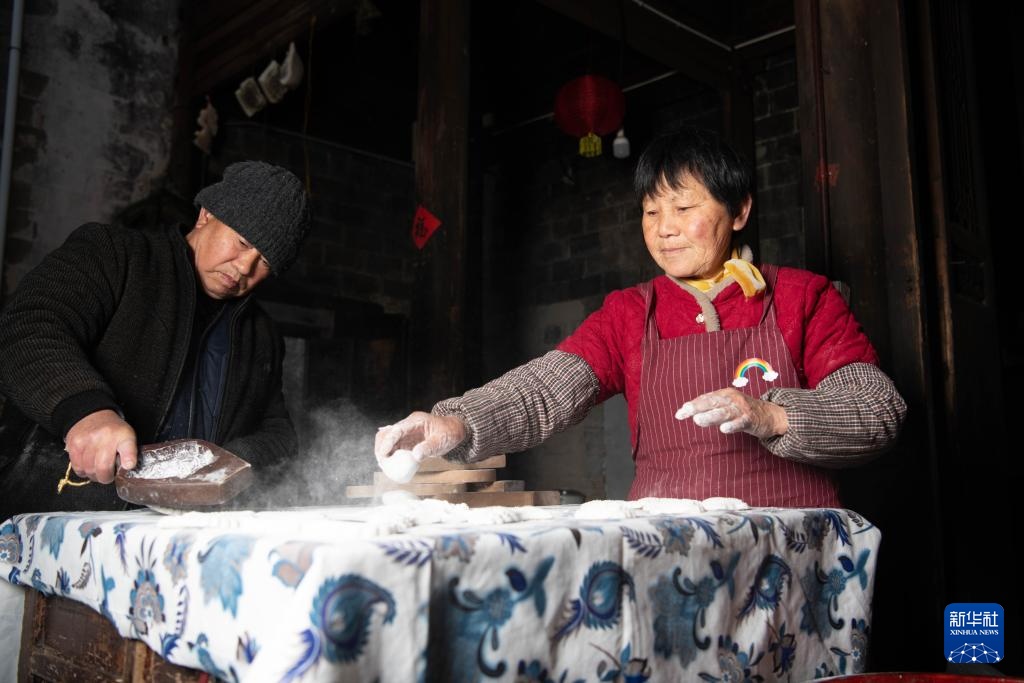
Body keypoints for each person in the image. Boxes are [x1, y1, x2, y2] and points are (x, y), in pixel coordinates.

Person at [376, 127, 907, 507]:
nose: (664, 228)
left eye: (684, 208)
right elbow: (543, 391)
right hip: (667, 555)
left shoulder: (801, 297)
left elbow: (877, 411)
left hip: (790, 552)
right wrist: (456, 422)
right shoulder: (630, 313)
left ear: (739, 211)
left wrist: (770, 416)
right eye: (651, 212)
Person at [0, 161, 310, 518]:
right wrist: (85, 411)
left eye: (265, 262)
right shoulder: (114, 254)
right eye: (241, 243)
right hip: (50, 516)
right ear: (207, 215)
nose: (244, 268)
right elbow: (28, 327)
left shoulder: (262, 335)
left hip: (174, 535)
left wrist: (224, 466)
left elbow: (279, 435)